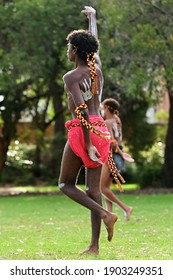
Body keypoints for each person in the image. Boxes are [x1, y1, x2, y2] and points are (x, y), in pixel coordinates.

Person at [58, 6, 118, 255]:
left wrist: (88, 143)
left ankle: (105, 213)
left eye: (69, 47)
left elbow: (80, 109)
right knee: (92, 190)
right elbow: (96, 48)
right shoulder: (97, 72)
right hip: (101, 129)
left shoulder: (71, 76)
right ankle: (94, 246)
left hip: (83, 129)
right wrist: (92, 18)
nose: (68, 51)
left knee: (64, 184)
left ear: (75, 51)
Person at [100, 98, 133, 221]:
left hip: (110, 155)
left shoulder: (108, 122)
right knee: (106, 188)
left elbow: (112, 142)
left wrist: (120, 152)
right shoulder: (117, 120)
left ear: (107, 108)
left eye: (103, 108)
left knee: (101, 188)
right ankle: (110, 214)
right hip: (116, 155)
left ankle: (126, 208)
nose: (101, 110)